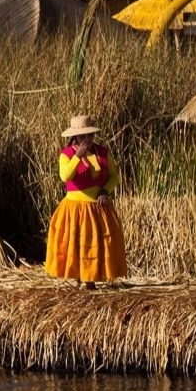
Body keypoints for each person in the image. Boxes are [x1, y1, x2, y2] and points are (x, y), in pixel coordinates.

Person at [45, 115, 126, 288]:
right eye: (83, 136)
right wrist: (77, 157)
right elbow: (65, 176)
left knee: (93, 244)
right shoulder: (66, 154)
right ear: (75, 137)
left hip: (98, 207)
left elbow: (114, 176)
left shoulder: (102, 152)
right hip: (75, 208)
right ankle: (80, 277)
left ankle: (91, 279)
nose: (87, 139)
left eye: (90, 135)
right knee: (77, 244)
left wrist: (105, 190)